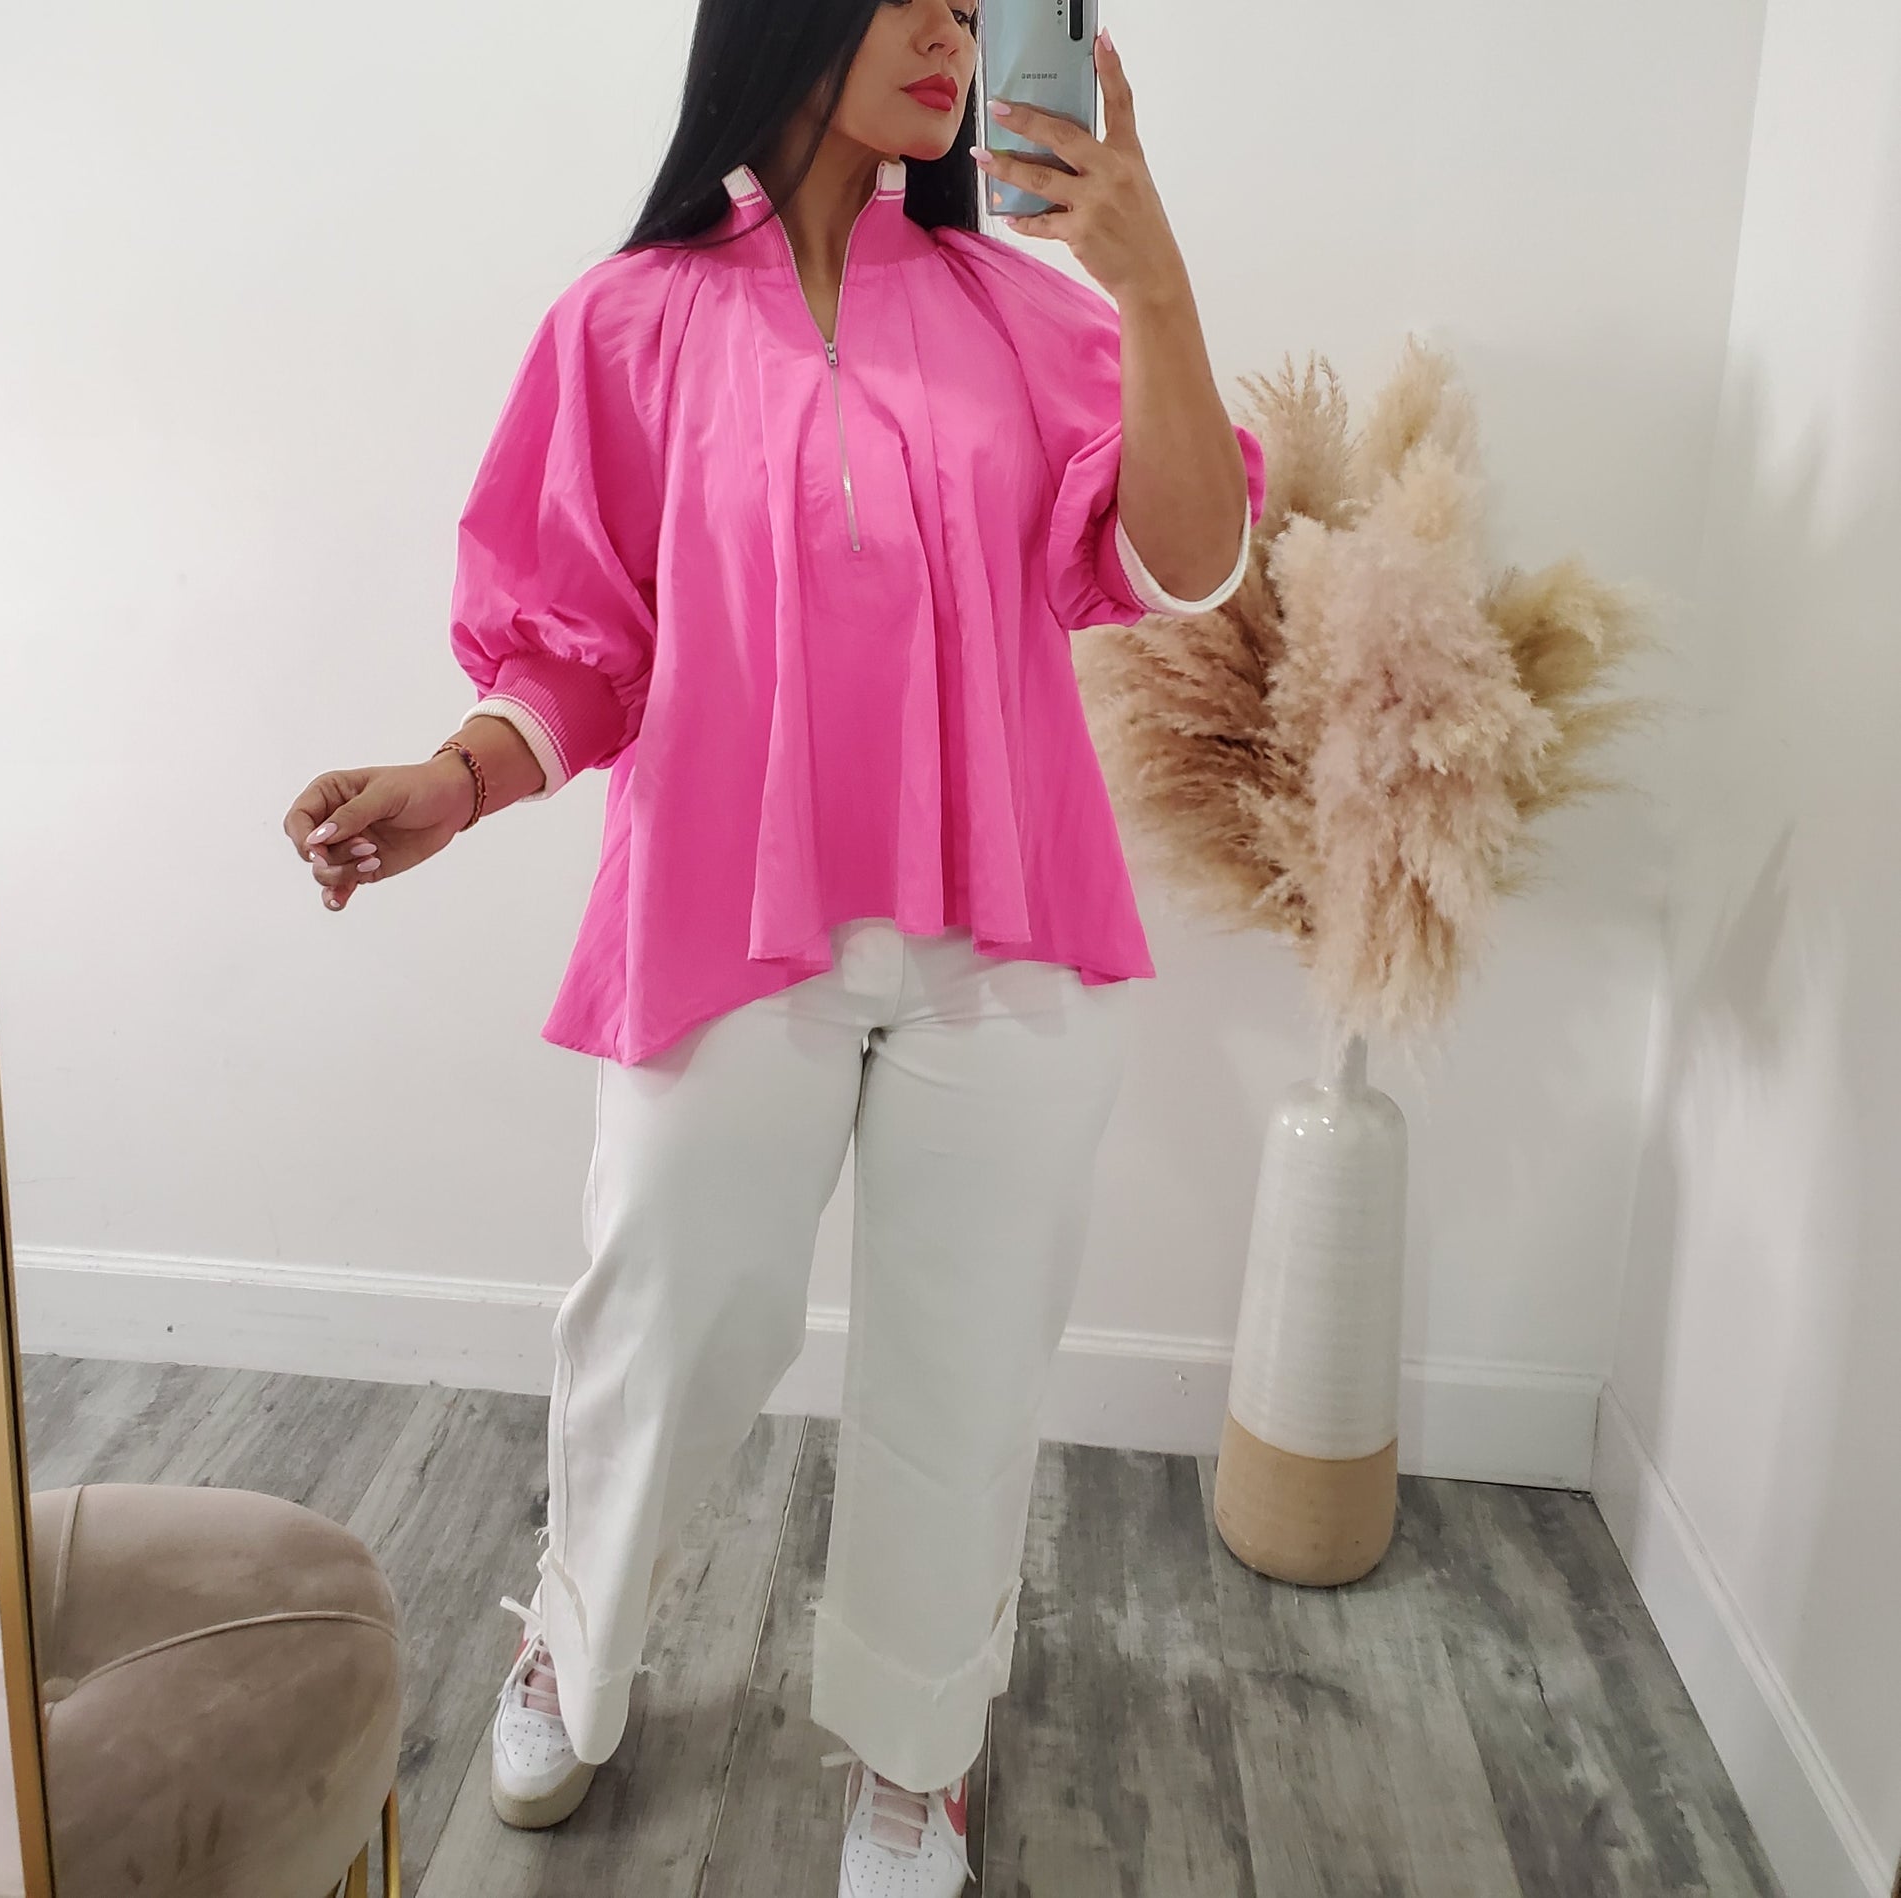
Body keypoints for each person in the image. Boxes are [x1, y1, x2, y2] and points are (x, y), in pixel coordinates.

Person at [283, 1, 1262, 1890]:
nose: (954, 31)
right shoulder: (626, 322)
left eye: (976, 4)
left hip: (1006, 936)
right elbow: (583, 645)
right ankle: (579, 1636)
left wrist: (1150, 281)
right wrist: (458, 778)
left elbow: (1186, 556)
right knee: (665, 1316)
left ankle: (916, 1750)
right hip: (727, 912)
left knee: (961, 1364)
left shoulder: (1021, 311)